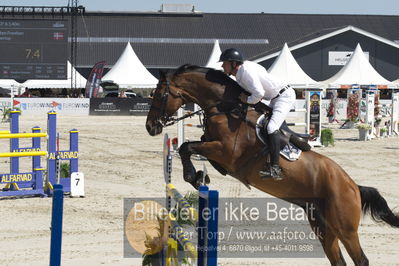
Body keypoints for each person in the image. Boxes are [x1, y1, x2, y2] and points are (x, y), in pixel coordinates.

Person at [219, 48, 296, 180]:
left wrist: (246, 99)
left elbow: (259, 93)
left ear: (233, 64)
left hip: (284, 97)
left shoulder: (245, 72)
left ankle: (275, 168)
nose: (222, 65)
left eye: (224, 63)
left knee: (271, 127)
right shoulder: (243, 70)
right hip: (274, 97)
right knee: (260, 124)